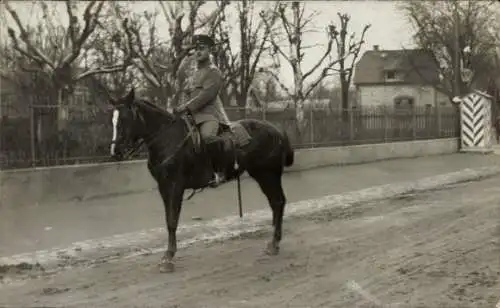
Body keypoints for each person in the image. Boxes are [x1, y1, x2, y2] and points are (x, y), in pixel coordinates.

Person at [175, 33, 233, 188]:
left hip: (210, 115)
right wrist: (179, 107)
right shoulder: (193, 74)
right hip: (192, 116)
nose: (198, 52)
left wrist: (186, 107)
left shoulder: (214, 72)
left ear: (210, 50)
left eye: (202, 48)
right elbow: (185, 93)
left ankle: (220, 172)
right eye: (195, 49)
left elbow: (206, 96)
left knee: (207, 137)